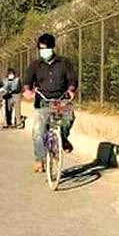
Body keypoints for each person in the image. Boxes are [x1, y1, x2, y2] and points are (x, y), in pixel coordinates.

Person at [22, 33, 78, 173]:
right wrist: (27, 91)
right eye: (41, 48)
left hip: (61, 100)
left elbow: (72, 80)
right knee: (38, 132)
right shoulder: (35, 65)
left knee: (68, 118)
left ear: (53, 48)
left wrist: (71, 90)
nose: (43, 51)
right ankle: (39, 160)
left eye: (46, 48)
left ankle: (63, 138)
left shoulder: (64, 63)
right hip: (43, 101)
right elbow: (27, 82)